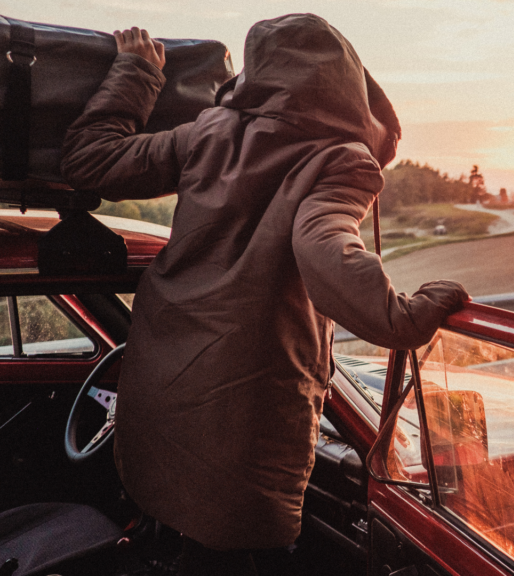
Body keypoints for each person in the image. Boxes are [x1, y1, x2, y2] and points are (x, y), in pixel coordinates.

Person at [60, 14, 469, 575]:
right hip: (244, 418)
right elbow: (325, 253)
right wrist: (407, 316)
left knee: (177, 541)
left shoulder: (208, 132)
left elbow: (90, 160)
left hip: (155, 388)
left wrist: (136, 72)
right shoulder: (341, 158)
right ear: (349, 83)